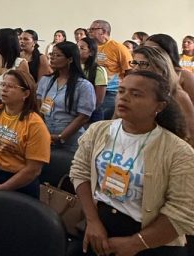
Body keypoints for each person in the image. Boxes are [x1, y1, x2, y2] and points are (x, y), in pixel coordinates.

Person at [70, 71, 194, 256]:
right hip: (99, 225)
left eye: (136, 94)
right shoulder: (98, 131)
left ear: (159, 106)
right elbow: (80, 172)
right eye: (121, 91)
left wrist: (135, 244)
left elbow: (182, 211)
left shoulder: (178, 151)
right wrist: (93, 221)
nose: (124, 98)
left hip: (150, 238)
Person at [0, 69, 50, 199]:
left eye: (10, 86)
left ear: (26, 94)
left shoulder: (35, 125)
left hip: (18, 184)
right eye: (3, 84)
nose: (4, 89)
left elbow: (33, 170)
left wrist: (3, 187)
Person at [36, 42, 96, 152]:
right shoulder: (46, 80)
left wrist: (61, 136)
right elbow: (39, 106)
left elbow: (83, 117)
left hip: (70, 139)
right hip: (46, 134)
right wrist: (42, 130)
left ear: (70, 59)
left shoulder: (83, 85)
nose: (52, 58)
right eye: (52, 54)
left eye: (58, 55)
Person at [131, 46, 194, 143]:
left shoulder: (178, 95)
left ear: (160, 68)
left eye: (143, 64)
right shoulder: (129, 92)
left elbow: (190, 135)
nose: (135, 69)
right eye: (134, 63)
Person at [88, 20, 131, 121]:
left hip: (110, 91)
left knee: (102, 120)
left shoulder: (118, 48)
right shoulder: (90, 47)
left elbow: (129, 71)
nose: (89, 32)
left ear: (103, 31)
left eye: (92, 29)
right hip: (92, 89)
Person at [144, 34, 194, 111]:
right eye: (145, 49)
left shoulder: (184, 76)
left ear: (167, 51)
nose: (146, 53)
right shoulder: (141, 73)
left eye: (153, 50)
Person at [78, 37, 108, 111]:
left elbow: (98, 100)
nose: (77, 50)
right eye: (76, 47)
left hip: (90, 111)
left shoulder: (98, 70)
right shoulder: (71, 67)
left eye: (82, 48)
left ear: (91, 52)